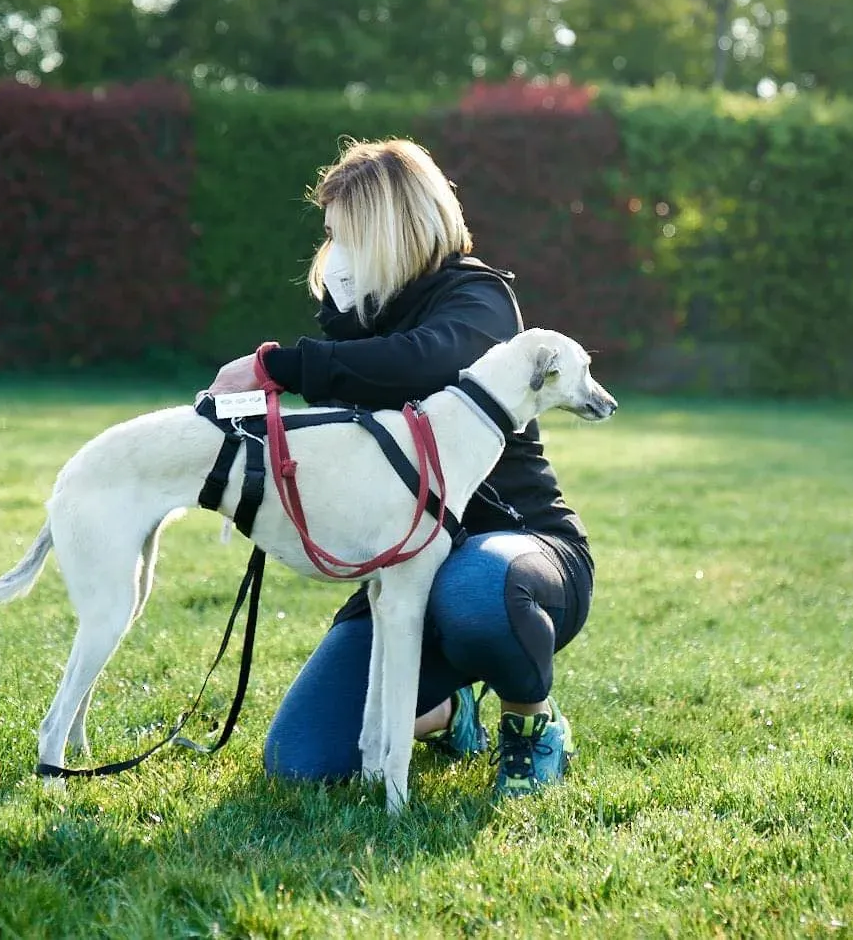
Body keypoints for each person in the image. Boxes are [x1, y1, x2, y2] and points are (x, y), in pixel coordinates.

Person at [207, 138, 594, 798]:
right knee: (301, 759)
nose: (334, 254)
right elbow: (337, 411)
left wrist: (279, 363)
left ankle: (533, 727)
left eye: (344, 236)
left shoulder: (481, 299)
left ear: (387, 229)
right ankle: (449, 711)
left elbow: (423, 360)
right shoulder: (359, 325)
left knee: (473, 593)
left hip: (512, 555)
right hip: (403, 573)